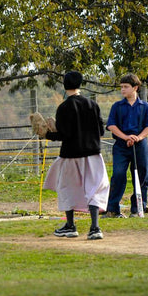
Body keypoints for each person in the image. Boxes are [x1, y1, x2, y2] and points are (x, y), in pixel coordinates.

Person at [41, 71, 110, 240]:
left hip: (70, 155)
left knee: (67, 188)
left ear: (65, 86)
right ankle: (95, 228)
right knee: (95, 188)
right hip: (93, 154)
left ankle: (70, 225)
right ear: (80, 84)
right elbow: (101, 131)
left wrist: (47, 134)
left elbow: (64, 135)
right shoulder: (92, 105)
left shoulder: (64, 107)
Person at [101, 73, 148, 218]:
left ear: (135, 88)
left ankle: (138, 208)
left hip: (140, 146)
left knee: (141, 176)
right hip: (121, 146)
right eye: (121, 87)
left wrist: (138, 137)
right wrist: (126, 137)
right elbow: (111, 126)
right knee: (118, 175)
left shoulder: (145, 106)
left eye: (126, 87)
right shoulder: (117, 106)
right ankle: (113, 209)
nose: (123, 90)